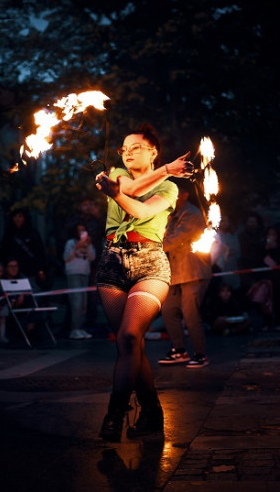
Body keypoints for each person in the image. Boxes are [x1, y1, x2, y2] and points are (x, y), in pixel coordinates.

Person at [94, 123, 193, 441]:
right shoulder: (117, 173)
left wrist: (165, 173)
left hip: (150, 264)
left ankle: (115, 413)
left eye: (136, 147)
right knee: (129, 344)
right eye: (124, 148)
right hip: (111, 263)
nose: (127, 152)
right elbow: (129, 189)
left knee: (129, 335)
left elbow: (138, 204)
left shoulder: (169, 188)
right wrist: (118, 189)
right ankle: (151, 411)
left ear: (153, 152)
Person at [158, 180, 212, 368]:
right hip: (175, 272)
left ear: (184, 195)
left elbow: (176, 239)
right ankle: (179, 350)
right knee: (168, 311)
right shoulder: (171, 215)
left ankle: (200, 354)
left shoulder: (192, 214)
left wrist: (152, 246)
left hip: (192, 271)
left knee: (190, 314)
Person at [62, 196, 106, 327]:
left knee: (90, 294)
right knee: (76, 295)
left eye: (90, 204)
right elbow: (66, 235)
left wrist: (98, 217)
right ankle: (73, 324)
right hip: (76, 262)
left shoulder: (97, 221)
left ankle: (89, 322)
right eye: (85, 204)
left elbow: (106, 232)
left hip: (93, 259)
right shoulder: (74, 221)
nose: (88, 207)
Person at [63, 223, 96, 339]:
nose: (81, 232)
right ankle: (74, 329)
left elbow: (92, 258)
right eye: (79, 230)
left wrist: (88, 245)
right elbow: (66, 258)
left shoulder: (88, 243)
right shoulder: (70, 243)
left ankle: (81, 328)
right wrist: (77, 247)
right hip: (73, 273)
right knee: (76, 302)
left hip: (84, 272)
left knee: (83, 303)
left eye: (83, 230)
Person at [0, 208, 48, 282]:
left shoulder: (32, 233)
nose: (17, 219)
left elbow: (39, 252)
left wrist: (41, 269)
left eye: (20, 216)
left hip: (30, 270)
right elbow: (4, 251)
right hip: (13, 270)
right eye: (15, 216)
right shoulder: (9, 233)